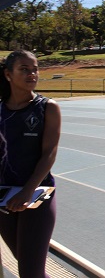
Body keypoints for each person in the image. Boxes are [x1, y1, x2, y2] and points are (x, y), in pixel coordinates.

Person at [0, 50, 61, 277]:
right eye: (24, 69)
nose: (32, 74)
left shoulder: (47, 107)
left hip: (37, 194)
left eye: (34, 69)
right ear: (8, 74)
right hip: (4, 196)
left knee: (30, 272)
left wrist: (27, 192)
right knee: (28, 265)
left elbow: (49, 153)